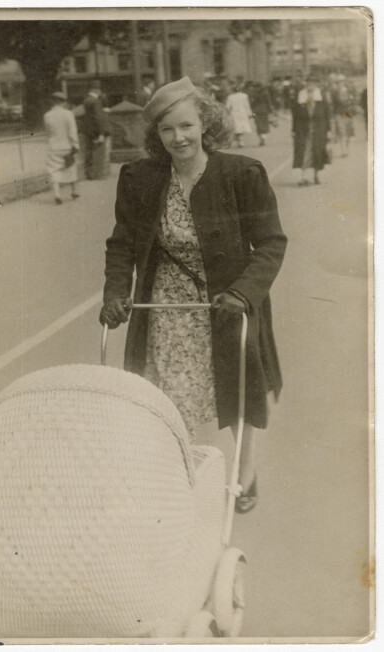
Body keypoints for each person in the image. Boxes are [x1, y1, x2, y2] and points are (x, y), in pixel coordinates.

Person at [100, 76, 287, 514]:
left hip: (227, 303)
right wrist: (115, 291)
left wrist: (243, 293)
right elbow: (122, 243)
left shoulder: (241, 173)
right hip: (167, 304)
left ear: (205, 123)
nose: (178, 137)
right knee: (168, 394)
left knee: (239, 391)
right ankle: (176, 479)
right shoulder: (140, 178)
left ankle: (244, 472)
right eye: (167, 130)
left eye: (186, 125)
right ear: (157, 135)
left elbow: (271, 244)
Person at [292, 75, 331, 185]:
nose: (311, 86)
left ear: (316, 84)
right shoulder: (300, 96)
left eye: (313, 83)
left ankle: (316, 175)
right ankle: (303, 177)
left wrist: (329, 130)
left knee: (318, 152)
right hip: (303, 129)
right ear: (306, 84)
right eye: (309, 83)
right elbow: (295, 115)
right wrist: (293, 129)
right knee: (304, 152)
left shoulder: (321, 96)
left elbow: (327, 114)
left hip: (319, 129)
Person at [43, 90, 80, 205]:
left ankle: (57, 194)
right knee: (70, 167)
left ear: (53, 102)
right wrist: (75, 145)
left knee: (54, 170)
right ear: (63, 102)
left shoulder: (47, 115)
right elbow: (72, 131)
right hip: (67, 146)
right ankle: (74, 191)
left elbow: (48, 132)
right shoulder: (68, 114)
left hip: (54, 146)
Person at [83, 80, 111, 179]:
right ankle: (97, 175)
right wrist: (101, 133)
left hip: (88, 131)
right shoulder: (96, 101)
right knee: (99, 153)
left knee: (89, 153)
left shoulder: (86, 100)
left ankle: (89, 174)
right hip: (96, 131)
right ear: (97, 90)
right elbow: (98, 118)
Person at [332, 74, 355, 157]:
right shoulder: (335, 93)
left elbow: (353, 102)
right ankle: (343, 150)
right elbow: (333, 104)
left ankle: (346, 148)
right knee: (342, 132)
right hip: (338, 113)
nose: (340, 83)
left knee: (348, 132)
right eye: (338, 82)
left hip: (347, 113)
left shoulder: (349, 91)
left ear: (344, 82)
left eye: (342, 81)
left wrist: (351, 105)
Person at [225, 83, 253, 148]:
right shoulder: (244, 96)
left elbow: (228, 106)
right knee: (241, 127)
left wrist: (227, 113)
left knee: (237, 128)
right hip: (243, 113)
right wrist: (249, 113)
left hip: (234, 113)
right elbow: (246, 105)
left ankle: (240, 140)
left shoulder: (230, 97)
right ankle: (240, 140)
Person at [249, 81, 274, 146]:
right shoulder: (265, 93)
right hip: (264, 110)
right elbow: (268, 102)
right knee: (264, 124)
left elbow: (251, 103)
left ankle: (261, 138)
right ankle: (263, 137)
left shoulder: (253, 93)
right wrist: (271, 111)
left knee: (258, 125)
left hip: (256, 111)